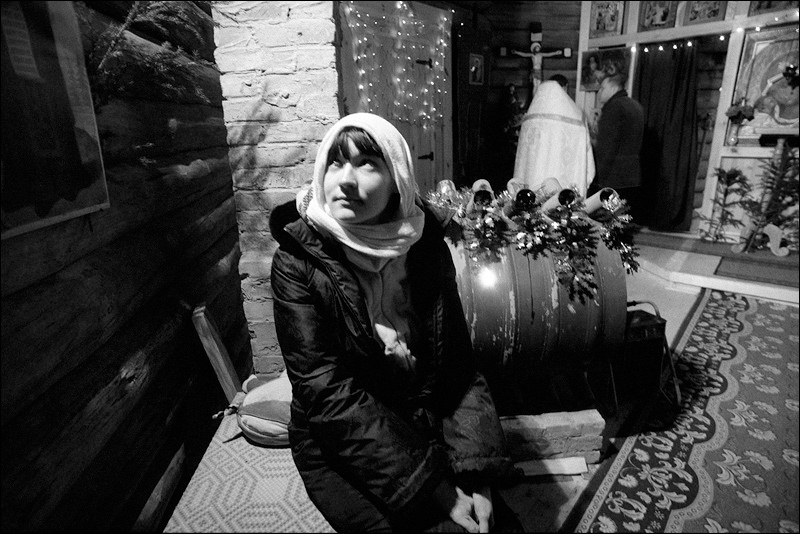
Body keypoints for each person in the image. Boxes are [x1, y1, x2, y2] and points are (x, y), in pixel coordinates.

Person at [269, 112, 520, 533]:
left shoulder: (424, 245)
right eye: (336, 161)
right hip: (339, 443)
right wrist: (435, 488)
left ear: (398, 179)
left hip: (419, 418)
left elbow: (457, 364)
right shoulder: (297, 261)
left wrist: (474, 471)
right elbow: (327, 395)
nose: (346, 179)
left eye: (367, 162)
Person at [511, 80, 595, 196]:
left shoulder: (529, 119)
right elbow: (589, 170)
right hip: (561, 190)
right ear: (564, 88)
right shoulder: (576, 119)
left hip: (530, 183)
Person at [589, 73, 644, 214]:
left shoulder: (614, 108)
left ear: (613, 88)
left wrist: (600, 178)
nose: (599, 92)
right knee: (623, 217)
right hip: (631, 174)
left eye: (602, 88)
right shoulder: (635, 105)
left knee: (610, 218)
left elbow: (607, 146)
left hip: (614, 176)